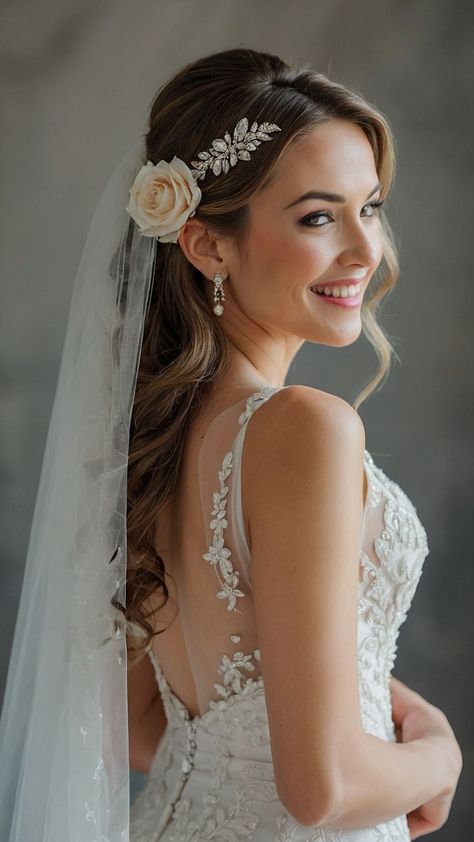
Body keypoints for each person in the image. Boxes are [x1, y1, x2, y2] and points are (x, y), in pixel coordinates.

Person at [0, 48, 462, 842]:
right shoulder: (305, 428)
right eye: (319, 217)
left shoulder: (149, 441)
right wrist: (441, 755)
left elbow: (145, 728)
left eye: (371, 207)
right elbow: (323, 789)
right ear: (208, 245)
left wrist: (383, 701)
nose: (364, 250)